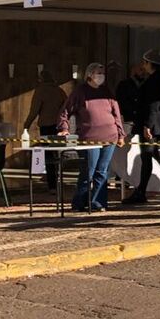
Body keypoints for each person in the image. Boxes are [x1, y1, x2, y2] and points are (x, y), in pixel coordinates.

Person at [57, 62, 125, 212]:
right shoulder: (80, 92)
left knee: (102, 171)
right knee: (88, 171)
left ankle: (98, 202)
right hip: (89, 139)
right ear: (89, 75)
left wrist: (121, 134)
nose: (101, 76)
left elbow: (116, 113)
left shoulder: (107, 92)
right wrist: (64, 128)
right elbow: (65, 112)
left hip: (110, 137)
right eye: (98, 72)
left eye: (102, 73)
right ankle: (79, 202)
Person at [121, 51, 160, 205]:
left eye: (144, 63)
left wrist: (148, 125)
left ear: (150, 64)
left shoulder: (154, 81)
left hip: (152, 125)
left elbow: (153, 105)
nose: (143, 66)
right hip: (156, 125)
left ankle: (142, 192)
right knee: (155, 155)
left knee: (148, 156)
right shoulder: (159, 80)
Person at [22, 69, 69, 188]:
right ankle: (58, 180)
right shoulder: (60, 91)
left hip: (46, 126)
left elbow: (34, 111)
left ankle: (52, 184)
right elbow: (67, 108)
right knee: (58, 153)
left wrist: (26, 125)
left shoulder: (41, 91)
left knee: (47, 155)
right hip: (59, 126)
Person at [113, 62, 143, 134]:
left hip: (141, 121)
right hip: (128, 121)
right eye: (141, 69)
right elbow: (120, 102)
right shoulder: (124, 85)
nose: (143, 72)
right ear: (133, 70)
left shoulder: (144, 84)